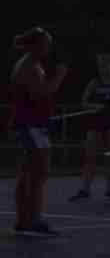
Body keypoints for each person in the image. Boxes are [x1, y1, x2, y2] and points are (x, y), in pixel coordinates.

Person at [12, 27, 68, 236]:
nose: (49, 48)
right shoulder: (29, 66)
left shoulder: (31, 64)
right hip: (31, 125)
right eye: (46, 44)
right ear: (36, 45)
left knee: (28, 172)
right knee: (39, 172)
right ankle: (34, 219)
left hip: (32, 124)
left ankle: (24, 219)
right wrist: (60, 76)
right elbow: (41, 92)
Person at [71, 52, 110, 202]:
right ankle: (84, 189)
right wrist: (94, 106)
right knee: (90, 156)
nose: (103, 69)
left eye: (106, 65)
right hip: (96, 123)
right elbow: (83, 102)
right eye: (100, 66)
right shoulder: (94, 83)